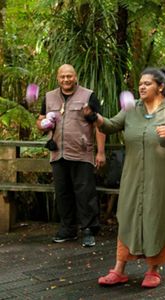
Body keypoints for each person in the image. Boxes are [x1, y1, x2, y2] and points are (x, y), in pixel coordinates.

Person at [84, 67, 165, 287]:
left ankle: (153, 270)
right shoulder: (131, 109)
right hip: (133, 177)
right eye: (140, 83)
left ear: (161, 87)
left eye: (147, 83)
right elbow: (109, 126)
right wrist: (94, 117)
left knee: (158, 216)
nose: (142, 87)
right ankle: (118, 270)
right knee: (128, 215)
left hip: (161, 180)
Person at [36, 64, 106, 247]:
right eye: (62, 77)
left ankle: (89, 230)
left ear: (75, 77)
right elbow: (40, 118)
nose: (66, 80)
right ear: (57, 78)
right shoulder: (49, 97)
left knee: (85, 193)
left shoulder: (88, 95)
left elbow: (99, 124)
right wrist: (43, 123)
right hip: (58, 153)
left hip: (82, 153)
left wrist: (100, 152)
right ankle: (68, 229)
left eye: (69, 76)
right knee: (63, 192)